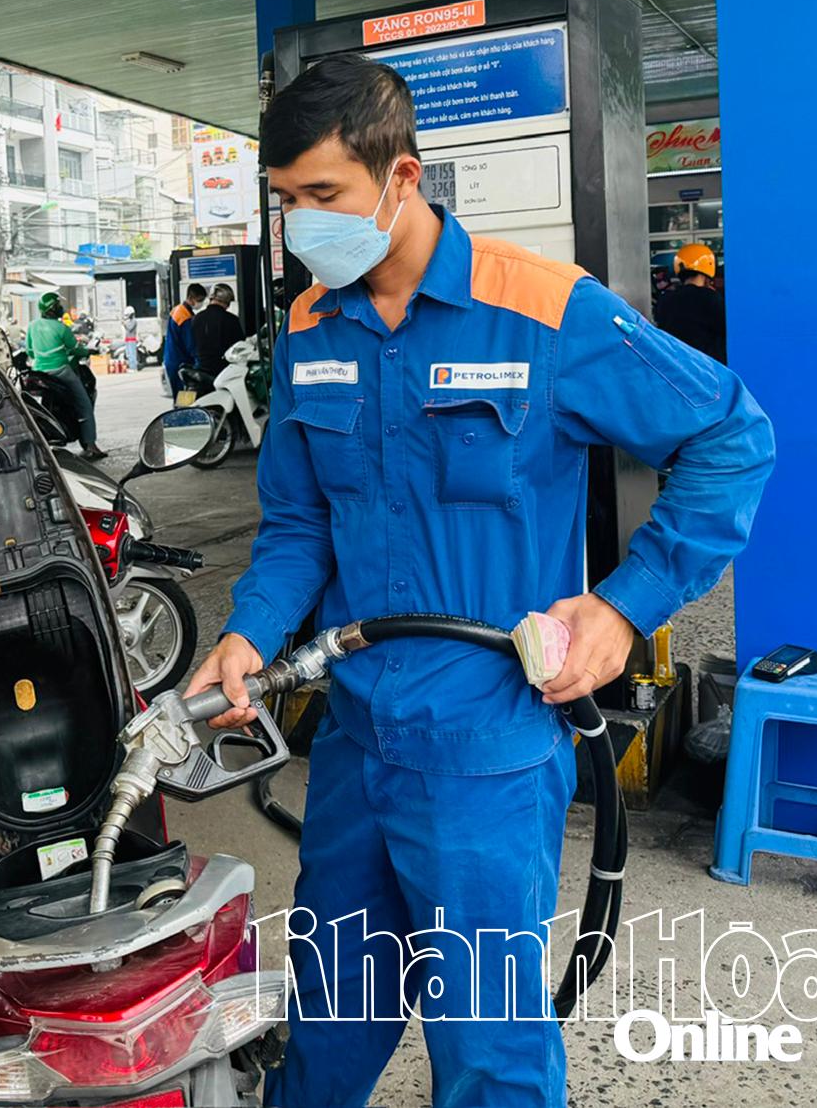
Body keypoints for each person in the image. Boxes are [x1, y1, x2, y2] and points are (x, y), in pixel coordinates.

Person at [184, 54, 775, 1108]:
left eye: (324, 196)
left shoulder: (544, 311)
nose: (301, 228)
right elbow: (298, 521)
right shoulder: (314, 331)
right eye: (286, 204)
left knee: (490, 1054)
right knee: (329, 1017)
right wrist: (250, 629)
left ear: (401, 176)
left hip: (489, 752)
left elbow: (733, 435)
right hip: (357, 738)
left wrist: (623, 604)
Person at [27, 291, 106, 460]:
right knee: (84, 404)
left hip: (38, 372)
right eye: (58, 305)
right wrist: (88, 351)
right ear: (52, 309)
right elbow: (76, 349)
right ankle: (91, 446)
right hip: (60, 371)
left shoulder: (32, 326)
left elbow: (30, 351)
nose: (61, 308)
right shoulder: (62, 328)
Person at [653, 242, 727, 363]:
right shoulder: (711, 298)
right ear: (709, 266)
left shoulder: (666, 300)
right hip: (707, 366)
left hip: (677, 366)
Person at [190, 283, 245, 378]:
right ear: (227, 301)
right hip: (223, 371)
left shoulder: (196, 319)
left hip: (199, 369)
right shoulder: (231, 320)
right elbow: (239, 346)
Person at [163, 283, 205, 394]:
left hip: (172, 360)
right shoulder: (184, 317)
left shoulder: (177, 310)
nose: (200, 303)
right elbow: (191, 345)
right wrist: (199, 363)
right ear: (191, 298)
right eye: (199, 300)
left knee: (180, 397)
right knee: (184, 397)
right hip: (180, 363)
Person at [121, 303, 140, 371]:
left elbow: (130, 328)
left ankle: (133, 367)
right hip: (128, 339)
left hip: (132, 340)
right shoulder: (129, 321)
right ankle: (131, 366)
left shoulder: (134, 321)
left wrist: (124, 324)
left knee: (132, 354)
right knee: (128, 354)